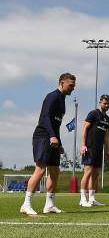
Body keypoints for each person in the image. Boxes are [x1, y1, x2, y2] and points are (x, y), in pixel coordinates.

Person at [20, 73, 76, 215]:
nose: (73, 88)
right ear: (61, 83)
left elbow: (56, 123)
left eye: (74, 86)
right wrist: (51, 136)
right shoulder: (52, 96)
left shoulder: (62, 99)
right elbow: (45, 117)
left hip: (52, 138)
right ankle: (26, 204)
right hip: (43, 136)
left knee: (55, 171)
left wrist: (59, 141)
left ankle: (49, 205)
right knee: (40, 169)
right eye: (71, 85)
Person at [79, 94, 109, 207]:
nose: (106, 105)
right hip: (90, 147)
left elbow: (106, 135)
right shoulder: (93, 113)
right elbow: (85, 128)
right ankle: (83, 199)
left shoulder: (107, 119)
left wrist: (108, 150)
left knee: (96, 174)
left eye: (108, 104)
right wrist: (83, 145)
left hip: (99, 149)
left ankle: (92, 199)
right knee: (87, 172)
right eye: (104, 103)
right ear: (100, 102)